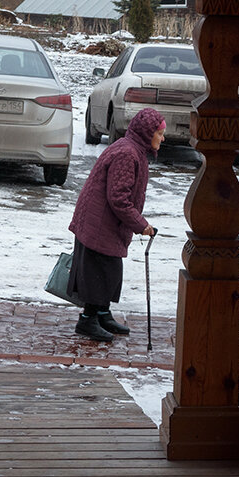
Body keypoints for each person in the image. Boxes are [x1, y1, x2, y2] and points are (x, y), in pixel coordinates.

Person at [67, 107, 165, 342]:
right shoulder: (127, 154)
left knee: (108, 271)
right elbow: (118, 198)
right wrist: (140, 225)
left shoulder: (134, 150)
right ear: (147, 132)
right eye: (160, 133)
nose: (163, 138)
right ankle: (88, 320)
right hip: (98, 222)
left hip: (104, 222)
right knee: (100, 272)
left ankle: (102, 313)